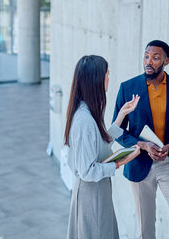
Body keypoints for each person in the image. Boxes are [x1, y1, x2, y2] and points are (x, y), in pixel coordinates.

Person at [113, 40, 169, 239]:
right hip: (140, 164)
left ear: (166, 61)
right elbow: (116, 130)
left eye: (155, 57)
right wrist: (142, 145)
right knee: (146, 230)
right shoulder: (128, 87)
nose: (149, 61)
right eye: (146, 56)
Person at [64, 55, 141, 239]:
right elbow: (87, 171)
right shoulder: (84, 120)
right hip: (92, 195)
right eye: (107, 74)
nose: (109, 78)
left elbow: (100, 143)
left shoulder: (88, 113)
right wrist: (119, 163)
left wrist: (122, 114)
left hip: (97, 192)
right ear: (96, 80)